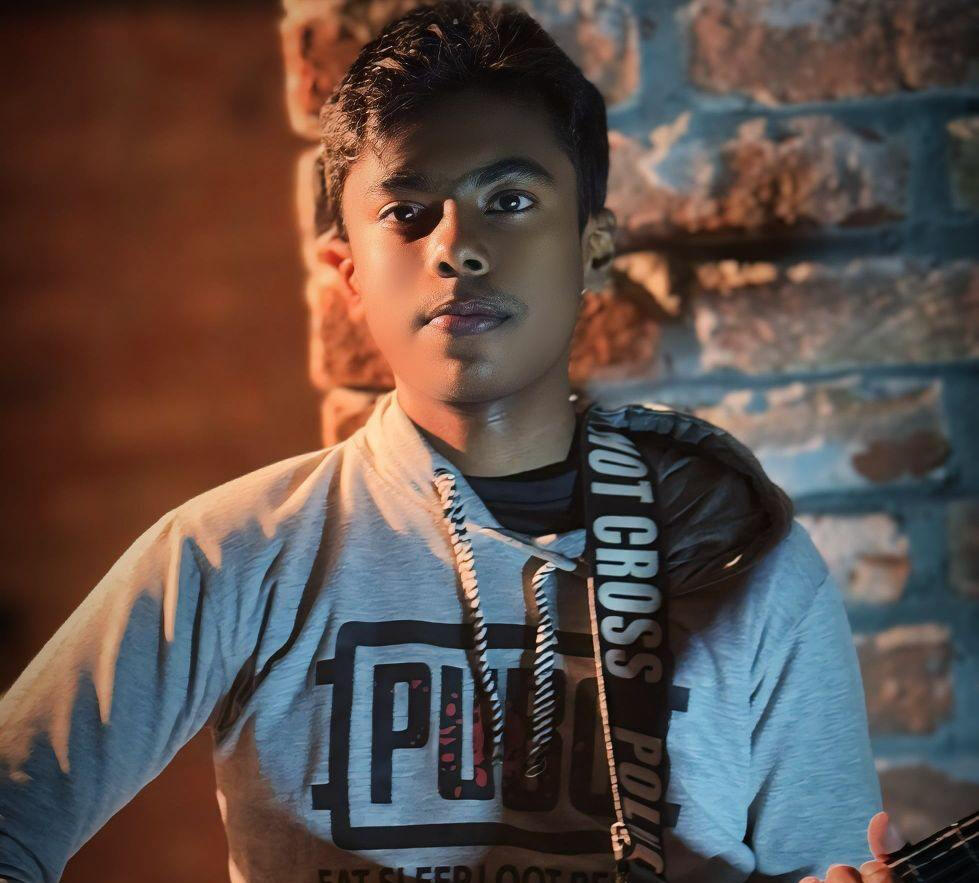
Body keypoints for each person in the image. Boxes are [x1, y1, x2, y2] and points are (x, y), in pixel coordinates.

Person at [0, 2, 898, 881]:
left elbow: (823, 855)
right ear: (347, 271)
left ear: (592, 248)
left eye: (509, 199)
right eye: (406, 212)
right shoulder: (231, 553)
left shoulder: (744, 560)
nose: (457, 247)